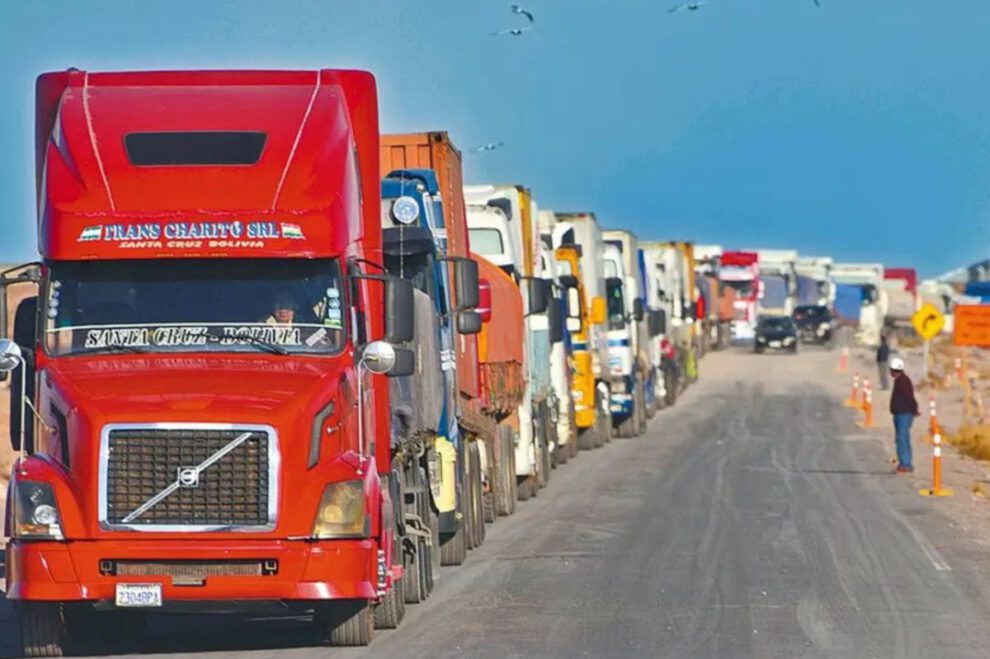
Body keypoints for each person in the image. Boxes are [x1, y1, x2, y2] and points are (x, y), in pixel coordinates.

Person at [889, 356, 919, 474]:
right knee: (902, 438)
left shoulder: (904, 382)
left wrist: (914, 410)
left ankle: (905, 464)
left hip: (904, 414)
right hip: (900, 414)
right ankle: (906, 463)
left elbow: (909, 398)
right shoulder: (900, 380)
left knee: (902, 439)